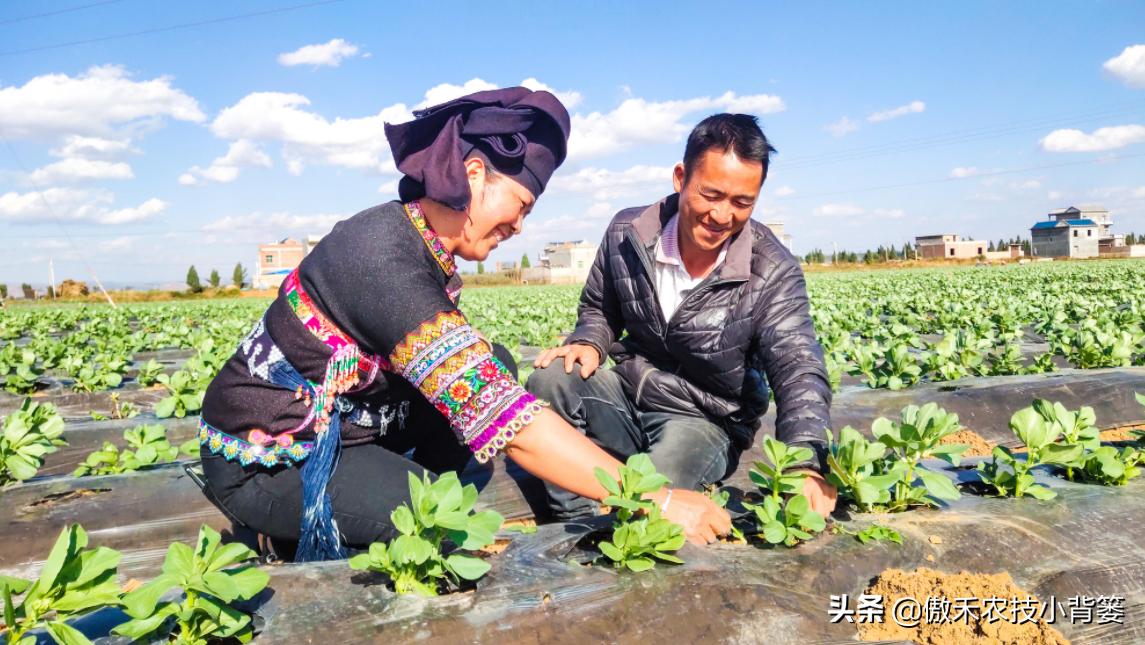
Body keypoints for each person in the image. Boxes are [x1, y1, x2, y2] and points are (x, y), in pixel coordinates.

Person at [197, 87, 730, 562]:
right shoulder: (381, 255)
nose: (519, 227)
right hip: (274, 455)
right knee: (452, 527)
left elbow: (481, 383)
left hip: (346, 423)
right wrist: (653, 498)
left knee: (492, 361)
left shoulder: (418, 240)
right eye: (520, 205)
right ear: (474, 174)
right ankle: (286, 530)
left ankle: (382, 491)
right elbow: (507, 421)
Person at [529, 113, 837, 520]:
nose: (723, 216)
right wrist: (589, 340)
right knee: (551, 378)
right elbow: (598, 309)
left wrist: (804, 462)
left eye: (742, 202)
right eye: (711, 195)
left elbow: (798, 365)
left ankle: (619, 525)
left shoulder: (771, 269)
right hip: (628, 394)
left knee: (656, 498)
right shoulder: (628, 233)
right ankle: (575, 522)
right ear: (680, 177)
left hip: (705, 421)